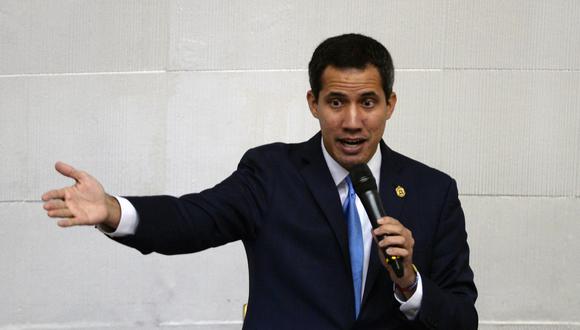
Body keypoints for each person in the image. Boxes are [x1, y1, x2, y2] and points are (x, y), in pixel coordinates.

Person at [42, 34, 477, 329]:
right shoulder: (272, 172)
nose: (352, 122)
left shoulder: (434, 191)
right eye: (336, 102)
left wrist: (410, 285)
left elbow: (462, 317)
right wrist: (113, 210)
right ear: (313, 103)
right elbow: (194, 217)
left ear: (390, 104)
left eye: (367, 103)